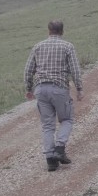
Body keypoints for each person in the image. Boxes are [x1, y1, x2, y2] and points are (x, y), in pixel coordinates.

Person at [24, 20, 84, 171]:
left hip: (40, 89)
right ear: (62, 32)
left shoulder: (38, 46)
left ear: (48, 31)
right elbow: (75, 70)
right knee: (67, 119)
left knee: (47, 125)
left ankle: (50, 159)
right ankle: (59, 149)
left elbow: (28, 69)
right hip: (59, 88)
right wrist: (79, 88)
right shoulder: (67, 46)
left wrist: (28, 88)